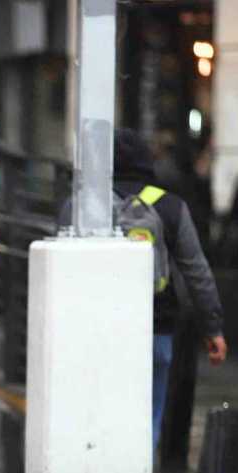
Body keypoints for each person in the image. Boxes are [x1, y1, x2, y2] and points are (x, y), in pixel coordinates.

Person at [109, 128, 227, 448]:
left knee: (104, 409)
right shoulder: (171, 207)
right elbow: (196, 271)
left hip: (102, 330)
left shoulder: (86, 208)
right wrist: (213, 327)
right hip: (156, 327)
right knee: (150, 413)